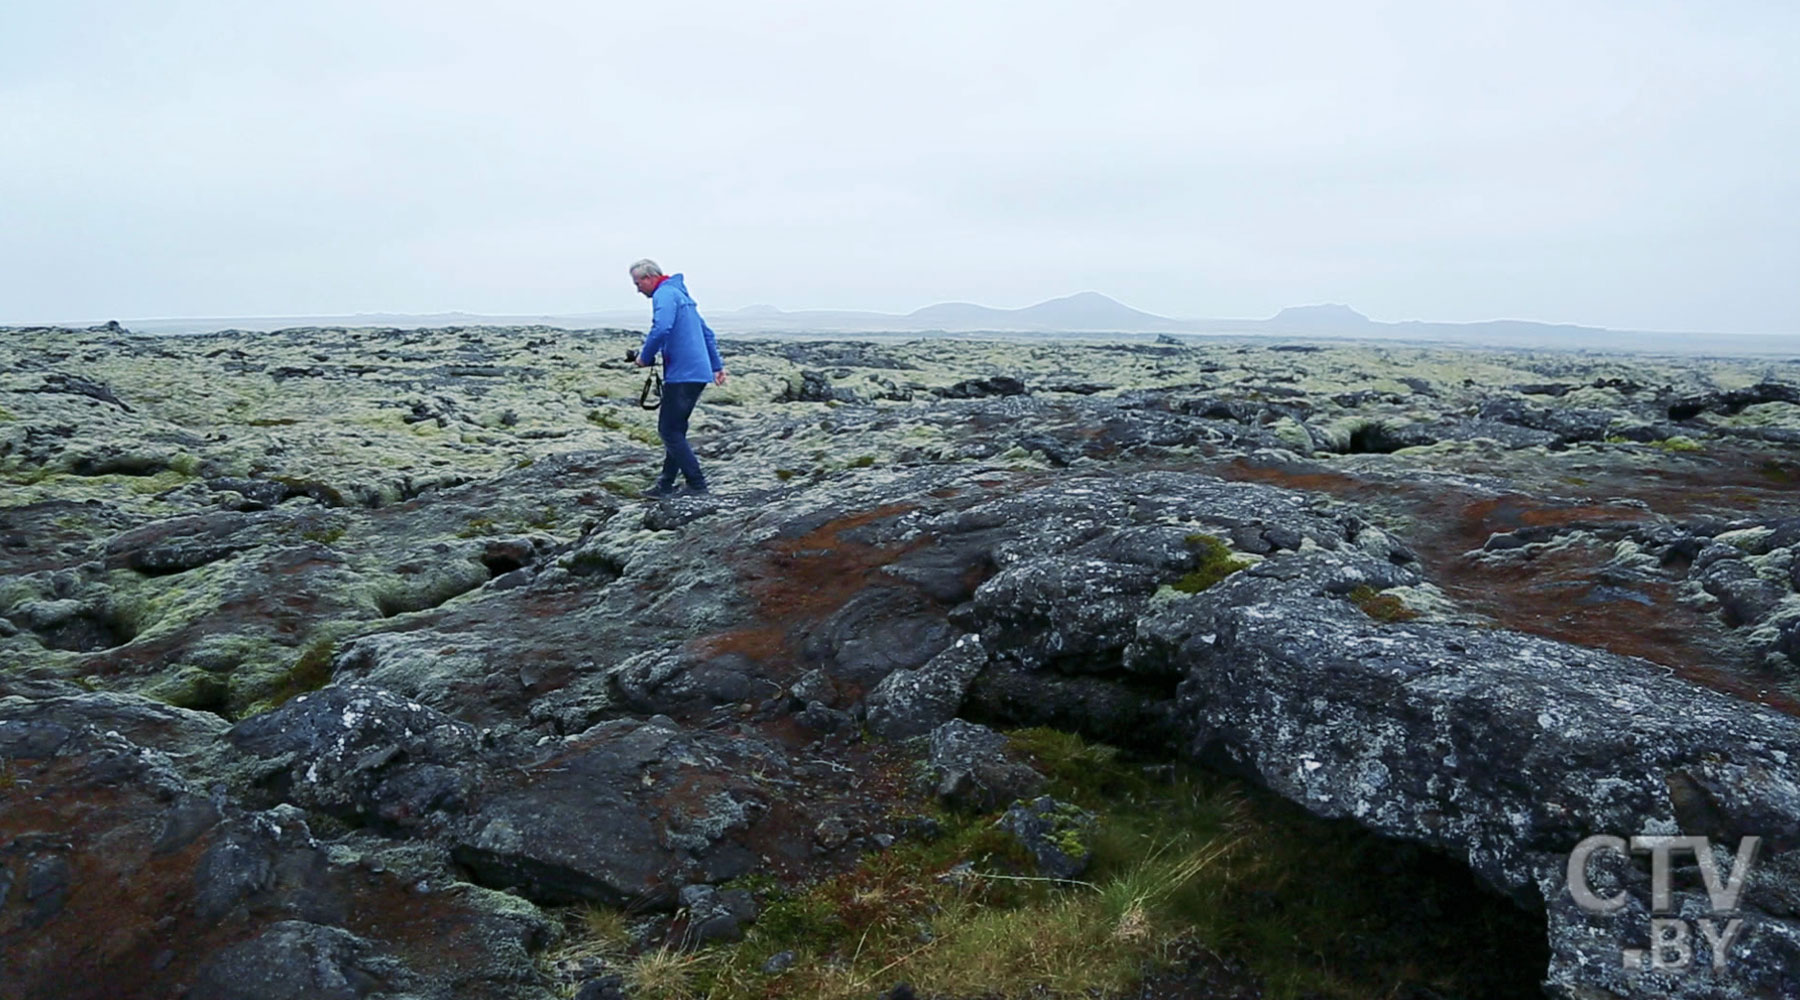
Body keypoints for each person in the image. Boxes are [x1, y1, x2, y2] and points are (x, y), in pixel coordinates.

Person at [630, 258, 728, 497]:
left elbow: (661, 327)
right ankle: (665, 485)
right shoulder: (683, 296)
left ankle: (697, 485)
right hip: (697, 373)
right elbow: (707, 333)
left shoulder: (664, 295)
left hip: (683, 373)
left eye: (637, 283)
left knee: (669, 431)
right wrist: (716, 366)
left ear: (648, 278)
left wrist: (645, 356)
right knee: (675, 430)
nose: (637, 289)